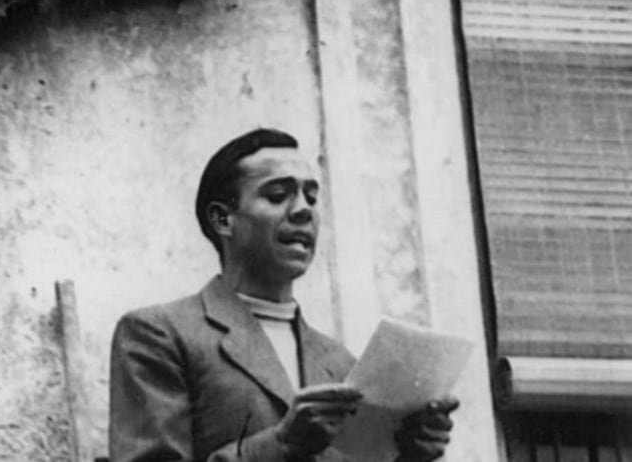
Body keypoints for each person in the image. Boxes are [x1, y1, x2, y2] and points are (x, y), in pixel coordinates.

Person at [109, 128, 458, 462]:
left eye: (312, 197)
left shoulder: (342, 364)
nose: (304, 210)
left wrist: (411, 455)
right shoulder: (159, 334)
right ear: (223, 219)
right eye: (278, 195)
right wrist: (281, 445)